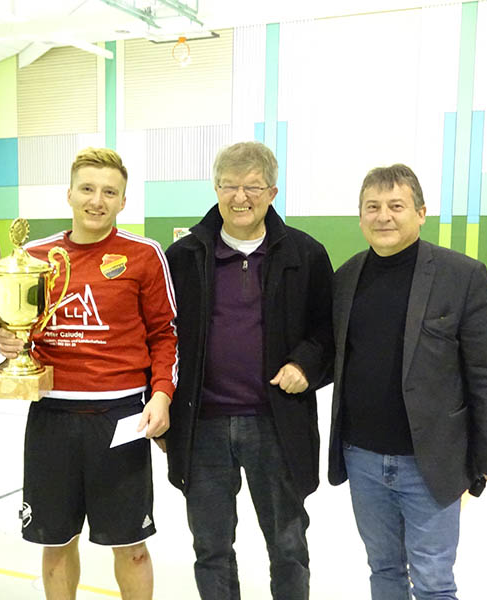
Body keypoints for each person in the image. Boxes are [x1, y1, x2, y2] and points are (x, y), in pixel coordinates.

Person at [0, 147, 178, 600]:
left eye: (109, 192)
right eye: (88, 189)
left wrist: (161, 395)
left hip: (121, 418)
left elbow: (165, 334)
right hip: (52, 419)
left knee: (131, 546)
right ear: (70, 194)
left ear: (123, 201)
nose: (97, 200)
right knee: (56, 543)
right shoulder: (35, 258)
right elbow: (26, 330)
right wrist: (12, 343)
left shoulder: (145, 255)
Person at [328, 164, 487, 599]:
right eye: (372, 207)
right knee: (384, 569)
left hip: (431, 460)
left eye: (396, 206)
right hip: (363, 458)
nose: (383, 216)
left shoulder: (461, 275)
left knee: (432, 580)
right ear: (360, 216)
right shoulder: (346, 278)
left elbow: (486, 372)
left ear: (422, 212)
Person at [163, 141, 333, 600]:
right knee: (212, 548)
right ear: (216, 188)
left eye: (253, 187)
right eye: (231, 186)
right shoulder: (182, 258)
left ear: (273, 192)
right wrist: (161, 410)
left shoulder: (306, 254)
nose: (241, 197)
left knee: (288, 545)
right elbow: (159, 337)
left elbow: (328, 333)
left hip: (276, 425)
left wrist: (305, 364)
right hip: (203, 427)